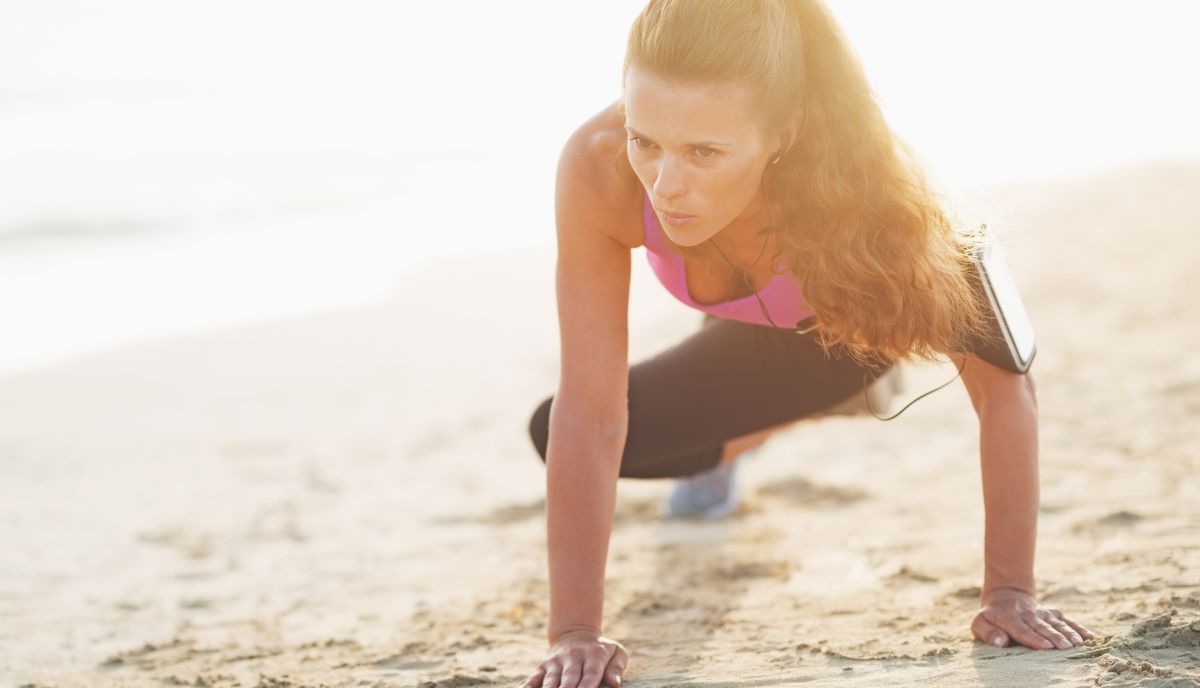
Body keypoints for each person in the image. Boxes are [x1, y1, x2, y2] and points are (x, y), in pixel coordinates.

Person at [522, 2, 1094, 686]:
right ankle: (791, 422)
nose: (666, 185)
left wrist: (1010, 592)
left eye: (704, 152)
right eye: (645, 138)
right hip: (747, 327)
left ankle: (851, 388)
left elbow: (1007, 385)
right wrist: (574, 633)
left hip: (850, 328)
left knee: (844, 354)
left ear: (781, 135)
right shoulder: (599, 168)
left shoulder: (878, 196)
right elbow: (591, 415)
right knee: (552, 431)